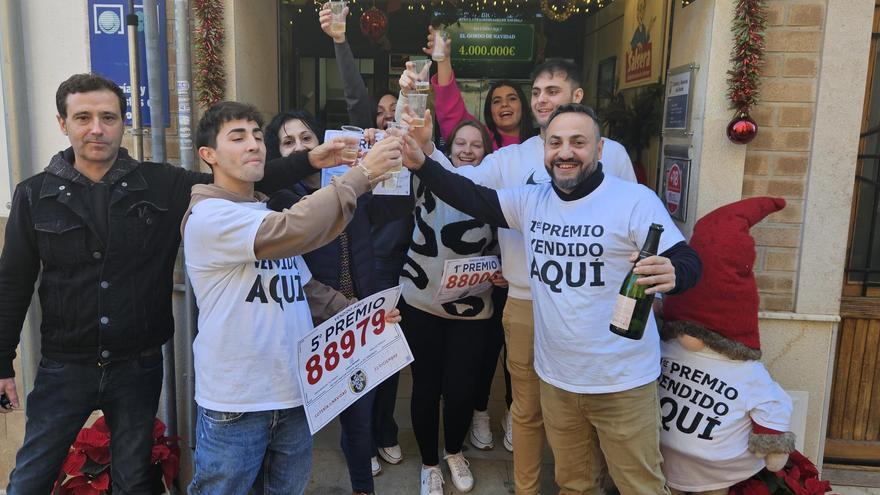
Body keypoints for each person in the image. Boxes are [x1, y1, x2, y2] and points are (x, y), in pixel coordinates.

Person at [0, 73, 348, 494]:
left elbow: (243, 174)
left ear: (123, 122)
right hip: (64, 365)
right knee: (30, 478)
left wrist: (311, 160)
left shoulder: (162, 184)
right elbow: (14, 281)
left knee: (134, 479)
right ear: (63, 123)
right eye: (83, 117)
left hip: (138, 364)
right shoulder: (34, 194)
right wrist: (3, 362)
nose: (97, 128)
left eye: (108, 117)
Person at [400, 103, 702, 494]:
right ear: (543, 146)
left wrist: (676, 274)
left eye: (579, 142)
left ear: (599, 148)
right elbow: (469, 195)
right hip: (557, 380)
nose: (565, 152)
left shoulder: (633, 200)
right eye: (556, 142)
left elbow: (686, 257)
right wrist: (423, 162)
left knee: (640, 487)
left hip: (621, 382)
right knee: (574, 484)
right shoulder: (532, 201)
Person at [183, 101, 402, 494]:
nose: (253, 144)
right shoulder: (211, 216)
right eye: (237, 137)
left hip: (294, 394)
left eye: (255, 135)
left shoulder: (258, 209)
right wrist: (362, 174)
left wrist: (364, 315)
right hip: (237, 405)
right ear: (208, 155)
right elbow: (295, 228)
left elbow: (305, 288)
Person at [264, 109, 405, 494]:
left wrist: (387, 163)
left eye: (306, 138)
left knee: (358, 418)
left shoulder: (352, 182)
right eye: (288, 142)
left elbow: (396, 208)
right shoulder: (276, 200)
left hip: (361, 317)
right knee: (294, 425)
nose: (300, 147)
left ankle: (362, 487)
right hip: (308, 325)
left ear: (322, 139)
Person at [319, 2, 408, 470]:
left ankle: (385, 431)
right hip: (357, 267)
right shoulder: (361, 152)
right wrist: (340, 42)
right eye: (380, 112)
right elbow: (355, 101)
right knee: (354, 360)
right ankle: (359, 442)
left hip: (395, 271)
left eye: (395, 113)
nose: (386, 118)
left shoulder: (413, 155)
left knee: (388, 359)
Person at [393, 119, 496, 495]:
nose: (468, 150)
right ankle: (430, 463)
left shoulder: (495, 189)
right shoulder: (426, 175)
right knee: (425, 387)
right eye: (461, 143)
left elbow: (506, 245)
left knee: (461, 389)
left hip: (472, 308)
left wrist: (501, 270)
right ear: (448, 148)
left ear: (488, 153)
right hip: (421, 302)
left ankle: (454, 452)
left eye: (477, 145)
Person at [418, 27, 536, 150]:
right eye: (496, 101)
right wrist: (443, 59)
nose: (504, 104)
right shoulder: (482, 140)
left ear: (523, 105)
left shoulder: (543, 143)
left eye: (512, 99)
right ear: (490, 112)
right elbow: (451, 113)